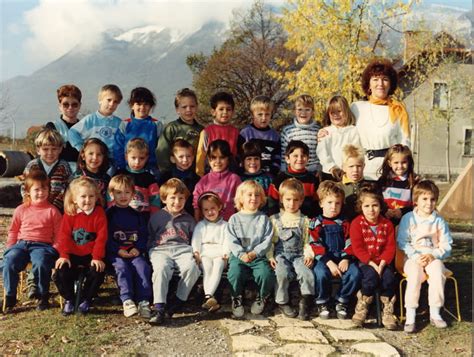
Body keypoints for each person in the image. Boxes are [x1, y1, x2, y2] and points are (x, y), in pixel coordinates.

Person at [397, 180, 452, 333]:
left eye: (433, 199)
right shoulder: (408, 218)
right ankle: (411, 316)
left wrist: (432, 255)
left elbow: (446, 245)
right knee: (414, 274)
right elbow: (403, 242)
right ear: (416, 201)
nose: (429, 203)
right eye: (425, 199)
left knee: (437, 271)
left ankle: (435, 313)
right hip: (413, 258)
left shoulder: (439, 221)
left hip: (432, 257)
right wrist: (415, 256)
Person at [2, 171, 62, 313]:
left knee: (41, 262)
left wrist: (55, 249)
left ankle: (42, 295)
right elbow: (13, 231)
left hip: (42, 246)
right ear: (28, 191)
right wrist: (10, 247)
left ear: (49, 190)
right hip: (22, 245)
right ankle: (10, 296)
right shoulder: (21, 210)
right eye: (36, 189)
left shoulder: (52, 211)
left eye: (44, 189)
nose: (41, 193)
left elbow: (60, 235)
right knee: (10, 261)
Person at [147, 178, 201, 325]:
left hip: (183, 249)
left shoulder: (189, 220)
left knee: (192, 268)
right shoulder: (157, 217)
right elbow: (150, 236)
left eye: (181, 198)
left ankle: (178, 301)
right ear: (164, 199)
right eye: (173, 198)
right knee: (161, 268)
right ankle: (159, 307)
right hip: (160, 249)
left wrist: (195, 252)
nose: (177, 202)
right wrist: (150, 252)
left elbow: (193, 239)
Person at [55, 177, 107, 315]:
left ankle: (86, 299)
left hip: (91, 254)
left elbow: (101, 237)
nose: (87, 200)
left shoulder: (99, 213)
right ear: (74, 199)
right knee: (60, 272)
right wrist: (64, 255)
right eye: (83, 196)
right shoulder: (70, 214)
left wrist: (97, 257)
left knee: (98, 272)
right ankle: (69, 299)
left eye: (91, 196)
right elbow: (63, 236)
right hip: (72, 253)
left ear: (96, 197)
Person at [351, 58, 410, 180]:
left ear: (391, 84)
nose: (380, 84)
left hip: (388, 172)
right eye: (375, 79)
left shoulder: (398, 110)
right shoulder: (356, 107)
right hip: (361, 172)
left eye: (385, 79)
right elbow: (340, 131)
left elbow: (405, 142)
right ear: (369, 84)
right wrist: (324, 133)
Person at [309, 181, 360, 320]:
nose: (333, 207)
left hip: (342, 256)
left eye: (337, 203)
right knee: (320, 273)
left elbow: (351, 241)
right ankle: (322, 302)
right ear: (321, 203)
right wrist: (329, 262)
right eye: (329, 202)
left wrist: (346, 258)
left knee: (355, 273)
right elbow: (315, 244)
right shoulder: (316, 222)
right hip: (324, 258)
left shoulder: (345, 222)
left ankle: (342, 300)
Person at [350, 184, 397, 330]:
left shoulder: (387, 224)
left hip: (383, 261)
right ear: (361, 207)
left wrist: (382, 264)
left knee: (389, 278)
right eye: (367, 206)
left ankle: (387, 309)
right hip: (365, 261)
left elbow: (390, 247)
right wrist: (371, 263)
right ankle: (362, 303)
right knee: (370, 277)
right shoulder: (357, 223)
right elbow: (358, 248)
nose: (371, 210)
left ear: (381, 206)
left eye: (375, 205)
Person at [226, 180, 275, 318]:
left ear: (262, 199)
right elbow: (231, 240)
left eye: (257, 195)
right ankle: (236, 297)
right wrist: (241, 254)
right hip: (239, 256)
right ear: (241, 198)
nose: (253, 198)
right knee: (234, 273)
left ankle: (262, 296)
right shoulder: (234, 219)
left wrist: (255, 252)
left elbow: (267, 240)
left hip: (257, 256)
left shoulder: (264, 219)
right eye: (250, 195)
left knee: (266, 274)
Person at [106, 175, 152, 318]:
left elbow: (144, 234)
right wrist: (117, 250)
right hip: (116, 253)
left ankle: (144, 301)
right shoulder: (108, 215)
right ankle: (127, 300)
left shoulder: (137, 215)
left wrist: (138, 248)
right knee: (122, 268)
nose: (123, 196)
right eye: (119, 192)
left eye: (127, 192)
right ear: (111, 194)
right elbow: (105, 237)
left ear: (133, 194)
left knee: (142, 267)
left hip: (134, 251)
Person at [268, 178, 314, 320]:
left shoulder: (305, 220)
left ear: (301, 201)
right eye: (288, 199)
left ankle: (306, 301)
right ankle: (282, 301)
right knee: (281, 273)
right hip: (281, 254)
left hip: (299, 254)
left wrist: (309, 255)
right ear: (281, 199)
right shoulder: (275, 219)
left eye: (295, 200)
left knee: (306, 273)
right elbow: (270, 241)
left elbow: (307, 241)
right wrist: (270, 256)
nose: (291, 204)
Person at [69, 84, 123, 168]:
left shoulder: (119, 123)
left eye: (115, 102)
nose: (112, 104)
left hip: (111, 163)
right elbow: (72, 132)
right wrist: (81, 149)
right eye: (109, 100)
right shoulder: (90, 119)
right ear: (100, 100)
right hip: (93, 161)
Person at [191, 192, 229, 312]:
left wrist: (226, 254)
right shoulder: (201, 226)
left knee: (217, 266)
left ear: (219, 207)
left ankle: (208, 296)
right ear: (202, 211)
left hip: (219, 254)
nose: (210, 212)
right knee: (207, 268)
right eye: (206, 209)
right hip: (205, 253)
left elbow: (228, 241)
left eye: (213, 208)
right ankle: (209, 297)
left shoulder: (225, 225)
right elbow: (195, 240)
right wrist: (196, 252)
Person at [114, 87, 163, 175]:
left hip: (150, 170)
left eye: (146, 104)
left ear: (151, 106)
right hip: (127, 169)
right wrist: (121, 167)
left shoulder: (156, 124)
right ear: (132, 105)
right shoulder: (125, 124)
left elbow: (161, 148)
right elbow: (118, 147)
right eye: (138, 104)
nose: (142, 107)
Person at [22, 127, 72, 212]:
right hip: (35, 209)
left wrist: (55, 207)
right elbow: (24, 186)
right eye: (45, 149)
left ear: (60, 149)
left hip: (57, 210)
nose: (50, 153)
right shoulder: (32, 166)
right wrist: (31, 203)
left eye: (54, 149)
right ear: (38, 150)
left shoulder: (64, 166)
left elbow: (68, 187)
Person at [268, 140, 320, 218]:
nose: (300, 159)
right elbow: (272, 204)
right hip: (283, 222)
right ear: (287, 159)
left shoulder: (313, 180)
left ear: (308, 158)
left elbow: (317, 204)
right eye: (295, 156)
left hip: (307, 222)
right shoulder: (278, 180)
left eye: (303, 155)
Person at [156, 88, 203, 172]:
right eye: (184, 107)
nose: (188, 110)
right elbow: (162, 151)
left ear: (197, 107)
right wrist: (166, 172)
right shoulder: (172, 128)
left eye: (192, 106)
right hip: (175, 174)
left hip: (195, 175)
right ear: (177, 109)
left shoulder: (202, 130)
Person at [193, 140, 241, 221]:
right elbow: (196, 205)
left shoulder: (234, 179)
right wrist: (197, 224)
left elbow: (240, 203)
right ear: (208, 159)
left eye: (222, 157)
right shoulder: (203, 182)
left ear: (228, 159)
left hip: (228, 225)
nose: (218, 161)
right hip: (208, 226)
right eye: (214, 157)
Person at [316, 95, 361, 181]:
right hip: (329, 173)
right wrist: (332, 167)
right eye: (332, 112)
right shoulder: (326, 131)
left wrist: (350, 167)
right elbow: (322, 152)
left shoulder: (352, 130)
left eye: (339, 111)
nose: (336, 115)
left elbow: (355, 151)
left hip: (348, 173)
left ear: (346, 112)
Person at [195, 91, 240, 176]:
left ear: (233, 112)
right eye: (221, 109)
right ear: (213, 112)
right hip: (211, 173)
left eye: (228, 109)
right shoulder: (206, 132)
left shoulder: (236, 132)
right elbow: (201, 154)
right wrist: (200, 174)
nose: (225, 112)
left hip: (231, 174)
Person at [113, 138, 160, 217]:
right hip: (121, 216)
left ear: (147, 158)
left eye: (141, 158)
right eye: (133, 158)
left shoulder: (150, 178)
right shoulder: (119, 175)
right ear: (126, 157)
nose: (137, 162)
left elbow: (155, 200)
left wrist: (154, 218)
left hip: (143, 219)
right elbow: (111, 195)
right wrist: (112, 211)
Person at [237, 95, 281, 176]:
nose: (264, 118)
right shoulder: (245, 133)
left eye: (267, 114)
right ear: (253, 115)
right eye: (260, 114)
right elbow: (239, 157)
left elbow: (277, 158)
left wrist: (272, 170)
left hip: (269, 177)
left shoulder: (275, 136)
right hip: (248, 177)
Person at [280, 94, 321, 174]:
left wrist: (320, 168)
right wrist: (283, 170)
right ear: (294, 111)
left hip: (312, 171)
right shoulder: (288, 131)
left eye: (307, 110)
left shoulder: (318, 130)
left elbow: (321, 152)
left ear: (312, 112)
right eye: (300, 109)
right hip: (293, 171)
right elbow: (283, 153)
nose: (303, 113)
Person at [378, 144, 417, 226]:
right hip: (385, 224)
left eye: (404, 162)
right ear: (389, 163)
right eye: (396, 162)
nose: (400, 166)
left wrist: (402, 211)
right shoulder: (383, 180)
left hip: (407, 223)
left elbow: (417, 204)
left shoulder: (413, 182)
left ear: (409, 162)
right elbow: (377, 200)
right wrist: (385, 210)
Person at [159, 139, 200, 216]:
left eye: (188, 156)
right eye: (181, 156)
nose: (185, 160)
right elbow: (160, 198)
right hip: (168, 215)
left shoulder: (196, 179)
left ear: (193, 157)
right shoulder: (166, 177)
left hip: (188, 217)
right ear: (173, 159)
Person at [45, 84, 82, 172]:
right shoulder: (52, 127)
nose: (70, 108)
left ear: (80, 105)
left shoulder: (85, 127)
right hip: (57, 172)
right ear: (60, 106)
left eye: (74, 104)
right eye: (65, 104)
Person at [71, 138, 111, 203]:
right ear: (83, 156)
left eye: (99, 154)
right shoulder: (76, 178)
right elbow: (70, 199)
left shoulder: (106, 179)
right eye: (91, 153)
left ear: (104, 157)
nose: (95, 158)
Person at [239, 141, 273, 213]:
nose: (253, 162)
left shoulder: (268, 179)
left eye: (256, 159)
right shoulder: (238, 179)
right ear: (243, 161)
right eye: (249, 159)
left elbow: (271, 201)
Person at [340, 144, 367, 222]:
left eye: (359, 166)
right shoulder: (337, 188)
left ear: (364, 166)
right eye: (351, 166)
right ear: (344, 167)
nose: (355, 170)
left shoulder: (370, 186)